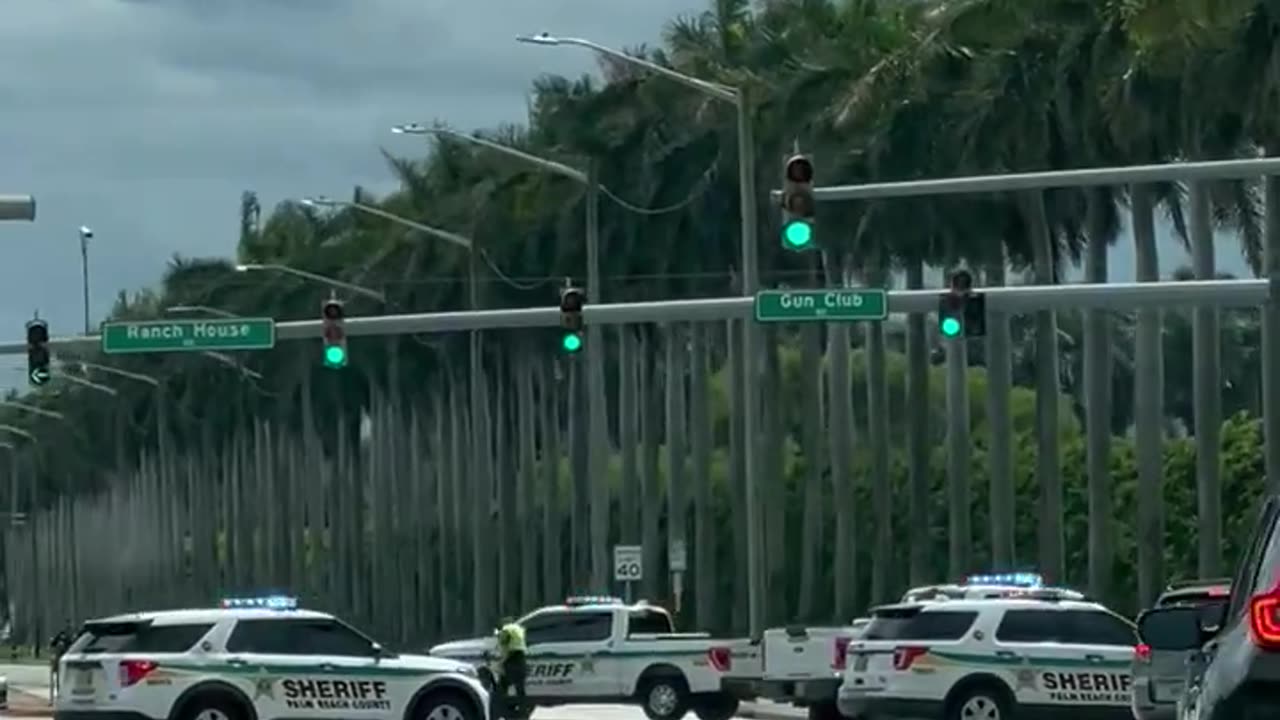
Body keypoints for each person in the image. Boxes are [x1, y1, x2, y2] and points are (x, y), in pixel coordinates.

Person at [492, 616, 527, 718]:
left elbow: (505, 643)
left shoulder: (506, 629)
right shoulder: (519, 629)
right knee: (520, 690)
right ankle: (523, 713)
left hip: (511, 663)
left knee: (501, 689)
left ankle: (500, 712)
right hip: (521, 661)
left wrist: (501, 662)